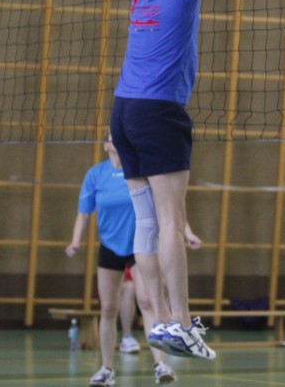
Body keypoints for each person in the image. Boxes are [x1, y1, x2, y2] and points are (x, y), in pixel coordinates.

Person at [108, 0, 285, 361]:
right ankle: (180, 322)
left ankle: (159, 321)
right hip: (159, 113)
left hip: (123, 112)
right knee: (171, 221)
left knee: (147, 222)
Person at [67, 133, 204, 386]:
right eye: (111, 137)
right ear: (105, 145)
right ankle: (106, 369)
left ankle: (160, 364)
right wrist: (75, 241)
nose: (116, 141)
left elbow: (168, 209)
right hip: (109, 248)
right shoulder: (95, 175)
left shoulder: (139, 172)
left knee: (147, 301)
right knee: (108, 308)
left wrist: (188, 233)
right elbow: (83, 214)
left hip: (140, 247)